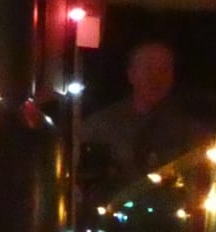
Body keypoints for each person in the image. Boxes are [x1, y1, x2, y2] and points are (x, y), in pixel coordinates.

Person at [83, 39, 206, 178]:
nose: (156, 77)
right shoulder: (101, 126)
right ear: (131, 75)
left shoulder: (189, 128)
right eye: (148, 68)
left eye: (164, 69)